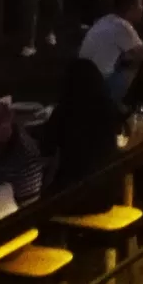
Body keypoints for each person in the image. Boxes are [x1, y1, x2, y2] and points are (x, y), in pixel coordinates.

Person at [38, 59, 124, 213]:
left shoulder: (65, 110)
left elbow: (45, 149)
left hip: (74, 196)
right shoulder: (108, 107)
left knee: (35, 204)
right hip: (110, 194)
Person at [77, 0, 143, 104]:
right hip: (101, 84)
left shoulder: (106, 20)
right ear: (131, 7)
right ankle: (117, 104)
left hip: (82, 80)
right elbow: (140, 53)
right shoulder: (122, 26)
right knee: (139, 65)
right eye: (140, 4)